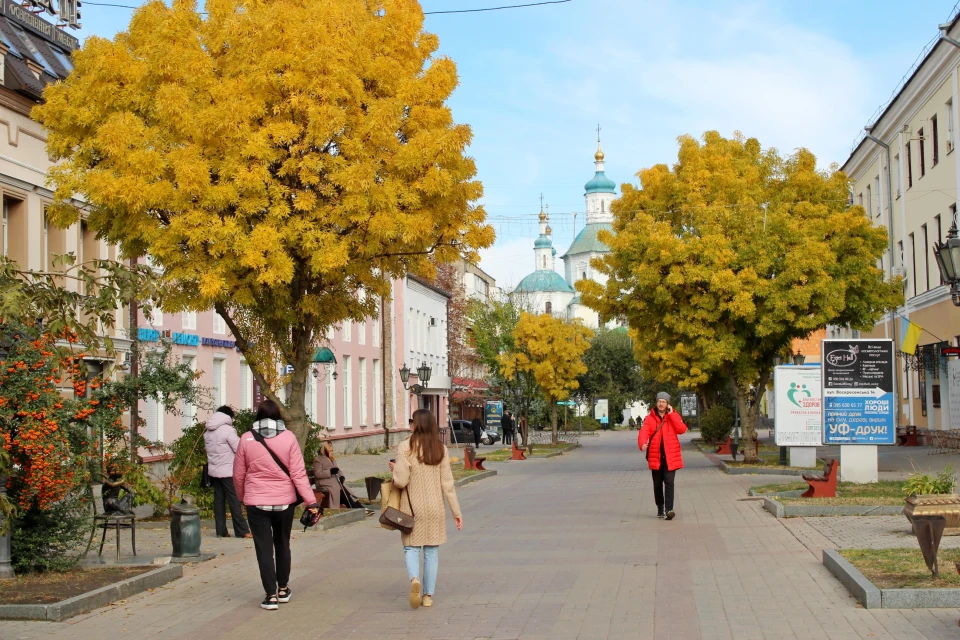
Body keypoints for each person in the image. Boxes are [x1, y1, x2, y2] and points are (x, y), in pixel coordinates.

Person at [233, 399, 320, 611]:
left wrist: (243, 497)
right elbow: (298, 473)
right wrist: (311, 501)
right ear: (278, 416)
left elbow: (238, 474)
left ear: (258, 415)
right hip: (284, 503)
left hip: (256, 503)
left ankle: (270, 596)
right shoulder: (289, 438)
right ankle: (283, 589)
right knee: (282, 544)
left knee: (263, 548)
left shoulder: (246, 439)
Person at [390, 409, 463, 609]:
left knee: (411, 548)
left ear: (416, 424)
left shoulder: (405, 447)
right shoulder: (440, 449)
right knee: (431, 552)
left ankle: (414, 579)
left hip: (411, 509)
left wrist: (395, 469)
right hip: (435, 508)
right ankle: (428, 595)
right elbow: (448, 484)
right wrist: (456, 513)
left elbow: (401, 481)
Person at [638, 392, 687, 521]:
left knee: (669, 482)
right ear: (656, 403)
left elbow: (681, 429)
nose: (661, 404)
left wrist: (672, 415)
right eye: (659, 401)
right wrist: (642, 442)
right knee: (657, 484)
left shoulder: (673, 416)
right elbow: (644, 431)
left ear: (668, 404)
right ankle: (660, 507)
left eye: (663, 402)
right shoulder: (650, 418)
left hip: (671, 456)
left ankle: (669, 509)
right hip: (656, 456)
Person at [204, 406, 251, 538]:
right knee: (234, 501)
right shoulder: (228, 430)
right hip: (228, 471)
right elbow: (239, 449)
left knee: (218, 501)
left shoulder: (208, 431)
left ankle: (221, 530)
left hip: (214, 471)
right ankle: (242, 531)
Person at [311, 442, 341, 509]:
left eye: (332, 450)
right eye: (330, 450)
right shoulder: (318, 460)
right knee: (335, 487)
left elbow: (338, 469)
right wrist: (330, 472)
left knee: (343, 487)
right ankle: (334, 507)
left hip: (331, 480)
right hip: (322, 482)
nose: (331, 452)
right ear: (325, 451)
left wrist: (342, 476)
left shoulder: (332, 459)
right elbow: (318, 474)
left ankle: (354, 504)